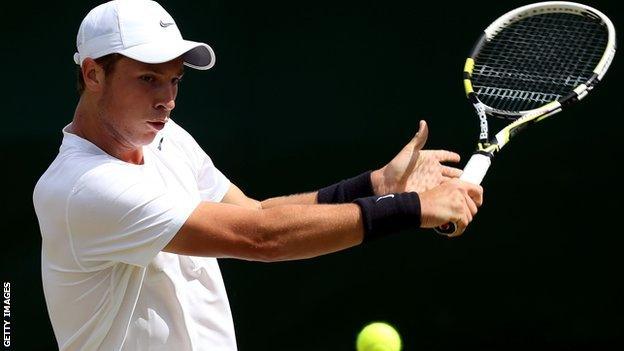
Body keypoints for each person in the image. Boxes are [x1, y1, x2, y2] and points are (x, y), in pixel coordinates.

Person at [33, 0, 483, 350]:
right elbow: (260, 237)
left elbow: (256, 211)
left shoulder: (165, 137)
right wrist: (409, 209)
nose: (167, 99)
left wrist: (375, 187)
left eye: (175, 81)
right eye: (149, 79)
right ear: (93, 74)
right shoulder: (82, 187)